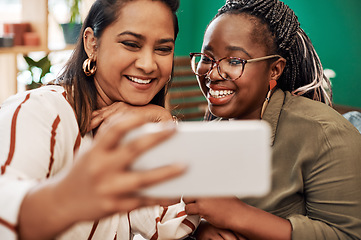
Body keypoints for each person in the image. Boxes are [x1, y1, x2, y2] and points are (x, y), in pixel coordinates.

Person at [0, 0, 200, 239]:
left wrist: (164, 122)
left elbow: (168, 228)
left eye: (163, 49)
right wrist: (67, 197)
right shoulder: (39, 112)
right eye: (131, 44)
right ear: (92, 43)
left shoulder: (140, 128)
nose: (148, 64)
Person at [184, 0, 361, 239]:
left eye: (235, 61)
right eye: (207, 58)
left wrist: (238, 215)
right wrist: (202, 228)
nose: (213, 73)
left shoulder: (326, 133)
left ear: (275, 69)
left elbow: (347, 234)